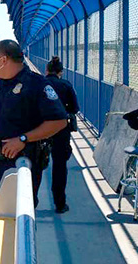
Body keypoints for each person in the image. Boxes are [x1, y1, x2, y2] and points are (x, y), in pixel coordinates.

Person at [0, 40, 68, 228]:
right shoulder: (0, 81)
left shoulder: (36, 85)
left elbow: (60, 121)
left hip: (20, 163)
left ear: (4, 60)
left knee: (16, 216)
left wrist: (23, 139)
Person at [45, 56, 80, 214]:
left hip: (41, 129)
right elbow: (75, 108)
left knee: (36, 164)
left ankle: (31, 201)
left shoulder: (40, 83)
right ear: (61, 72)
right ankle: (60, 203)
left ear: (47, 70)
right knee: (59, 165)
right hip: (61, 129)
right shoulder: (66, 85)